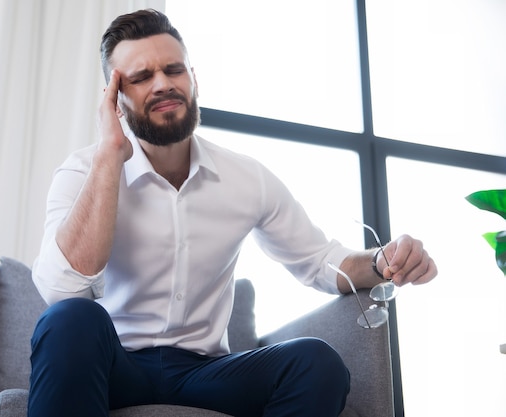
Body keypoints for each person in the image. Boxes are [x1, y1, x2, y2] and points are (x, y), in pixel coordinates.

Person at [28, 9, 437, 417]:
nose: (163, 84)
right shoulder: (84, 171)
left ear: (194, 80)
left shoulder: (246, 178)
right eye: (140, 78)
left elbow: (321, 262)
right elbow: (61, 290)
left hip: (203, 374)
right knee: (69, 319)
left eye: (174, 70)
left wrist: (382, 261)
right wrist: (110, 155)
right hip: (115, 365)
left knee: (316, 362)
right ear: (114, 98)